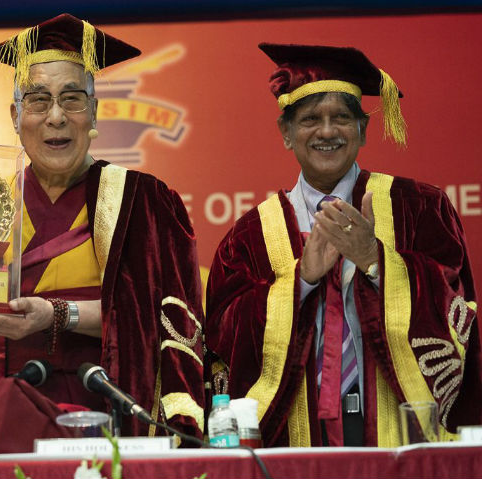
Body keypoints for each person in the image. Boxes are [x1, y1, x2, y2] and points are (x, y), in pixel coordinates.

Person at [0, 13, 205, 452]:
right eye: (38, 100)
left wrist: (59, 315)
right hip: (0, 424)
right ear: (16, 116)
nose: (56, 116)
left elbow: (175, 322)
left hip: (107, 422)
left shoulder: (143, 201)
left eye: (72, 99)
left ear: (95, 111)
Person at [205, 43, 482, 447]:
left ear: (363, 130)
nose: (327, 131)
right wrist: (299, 282)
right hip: (294, 436)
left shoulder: (420, 207)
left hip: (403, 430)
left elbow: (459, 307)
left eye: (341, 118)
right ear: (286, 133)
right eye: (310, 119)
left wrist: (376, 261)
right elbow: (221, 337)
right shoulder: (249, 236)